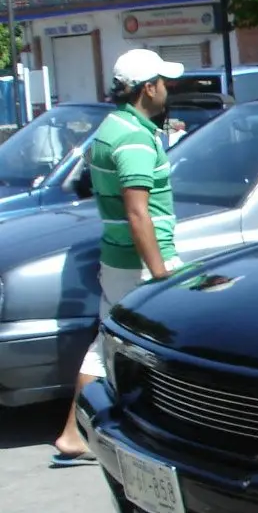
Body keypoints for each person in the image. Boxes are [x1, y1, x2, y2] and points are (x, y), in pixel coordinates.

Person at [52, 49, 187, 466]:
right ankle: (173, 439)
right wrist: (160, 271)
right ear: (149, 88)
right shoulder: (134, 138)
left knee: (105, 342)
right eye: (164, 82)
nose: (168, 89)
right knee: (176, 349)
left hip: (118, 258)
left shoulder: (111, 128)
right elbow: (137, 211)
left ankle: (74, 433)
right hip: (143, 261)